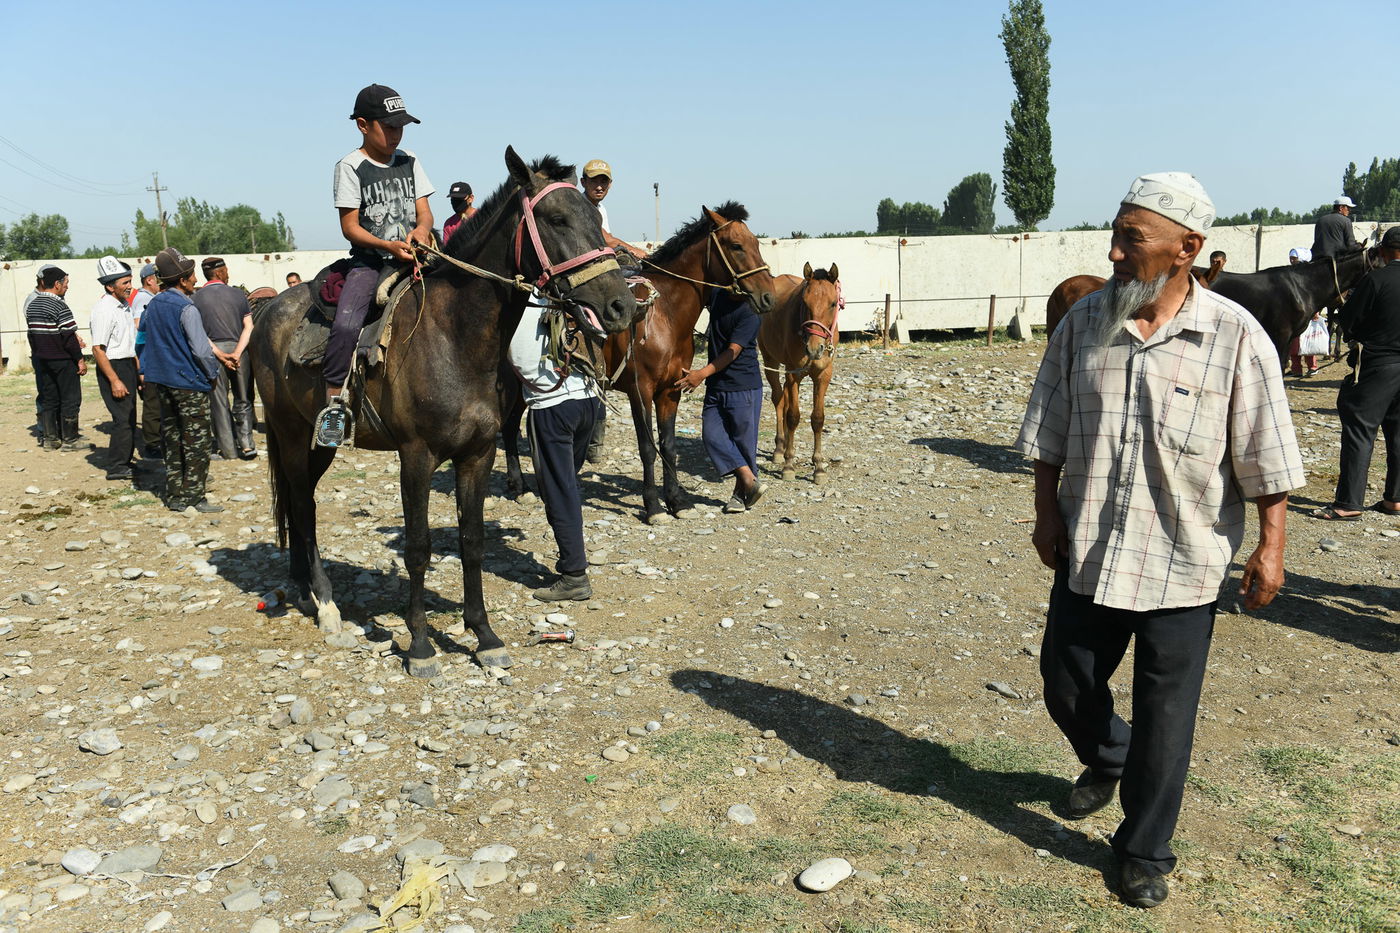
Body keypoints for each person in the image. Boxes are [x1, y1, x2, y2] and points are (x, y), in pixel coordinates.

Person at [1017, 173, 1304, 909]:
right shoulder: (1084, 323)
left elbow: (1267, 455)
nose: (1114, 253)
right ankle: (1111, 755)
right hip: (1092, 548)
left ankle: (1144, 850)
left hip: (1185, 558)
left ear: (1187, 249)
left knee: (1167, 718)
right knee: (1065, 682)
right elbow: (1049, 428)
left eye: (1132, 239)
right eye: (1115, 236)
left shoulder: (1234, 337)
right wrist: (1046, 512)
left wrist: (1270, 545)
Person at [315, 83, 435, 448]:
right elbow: (350, 227)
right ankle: (335, 406)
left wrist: (421, 230)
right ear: (363, 125)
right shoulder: (351, 166)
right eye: (389, 126)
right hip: (372, 262)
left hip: (417, 257)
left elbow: (425, 213)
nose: (397, 134)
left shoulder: (409, 160)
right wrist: (386, 245)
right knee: (346, 325)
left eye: (401, 127)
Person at [508, 302, 605, 601]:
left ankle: (574, 575)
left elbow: (516, 357)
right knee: (568, 485)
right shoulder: (571, 301)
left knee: (559, 491)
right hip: (589, 401)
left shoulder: (518, 307)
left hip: (552, 408)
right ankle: (571, 560)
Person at [1312, 225, 1400, 520]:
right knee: (1398, 433)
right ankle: (1395, 499)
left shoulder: (1375, 280)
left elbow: (1349, 321)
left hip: (1378, 364)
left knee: (1360, 430)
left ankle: (1348, 503)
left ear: (1384, 251)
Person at [138, 248, 229, 513]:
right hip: (189, 383)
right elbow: (201, 350)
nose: (195, 280)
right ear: (181, 280)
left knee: (172, 438)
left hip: (162, 382)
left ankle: (175, 494)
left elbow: (141, 340)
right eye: (191, 275)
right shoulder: (187, 308)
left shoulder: (152, 305)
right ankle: (195, 496)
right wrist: (212, 374)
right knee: (197, 442)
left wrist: (148, 369)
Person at [677, 287, 768, 513]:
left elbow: (732, 352)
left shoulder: (750, 312)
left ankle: (739, 497)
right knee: (711, 436)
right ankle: (749, 479)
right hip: (717, 385)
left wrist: (701, 374)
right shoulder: (718, 295)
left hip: (743, 387)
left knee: (744, 445)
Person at [193, 256, 257, 459]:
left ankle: (228, 450)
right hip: (239, 350)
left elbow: (198, 332)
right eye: (226, 271)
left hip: (212, 353)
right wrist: (237, 353)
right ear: (220, 272)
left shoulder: (195, 298)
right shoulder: (238, 294)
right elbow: (249, 327)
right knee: (243, 398)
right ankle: (247, 445)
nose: (228, 274)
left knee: (219, 402)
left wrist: (219, 353)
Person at [89, 257, 141, 480]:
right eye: (125, 283)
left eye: (130, 281)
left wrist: (138, 371)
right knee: (122, 418)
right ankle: (117, 466)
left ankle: (125, 462)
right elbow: (98, 349)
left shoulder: (124, 306)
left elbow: (130, 344)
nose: (130, 286)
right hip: (114, 367)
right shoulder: (104, 309)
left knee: (130, 416)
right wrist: (114, 380)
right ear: (110, 287)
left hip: (127, 365)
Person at [26, 264, 88, 450]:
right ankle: (70, 440)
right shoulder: (60, 305)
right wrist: (80, 359)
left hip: (43, 361)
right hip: (63, 361)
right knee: (70, 398)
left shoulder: (32, 305)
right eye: (66, 282)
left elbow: (32, 335)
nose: (67, 286)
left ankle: (50, 439)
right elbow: (68, 337)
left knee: (49, 399)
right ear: (57, 284)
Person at [130, 263, 164, 458]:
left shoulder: (149, 298)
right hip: (149, 361)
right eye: (158, 277)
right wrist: (141, 368)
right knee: (153, 406)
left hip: (151, 360)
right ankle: (152, 446)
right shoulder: (144, 299)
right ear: (150, 280)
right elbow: (139, 333)